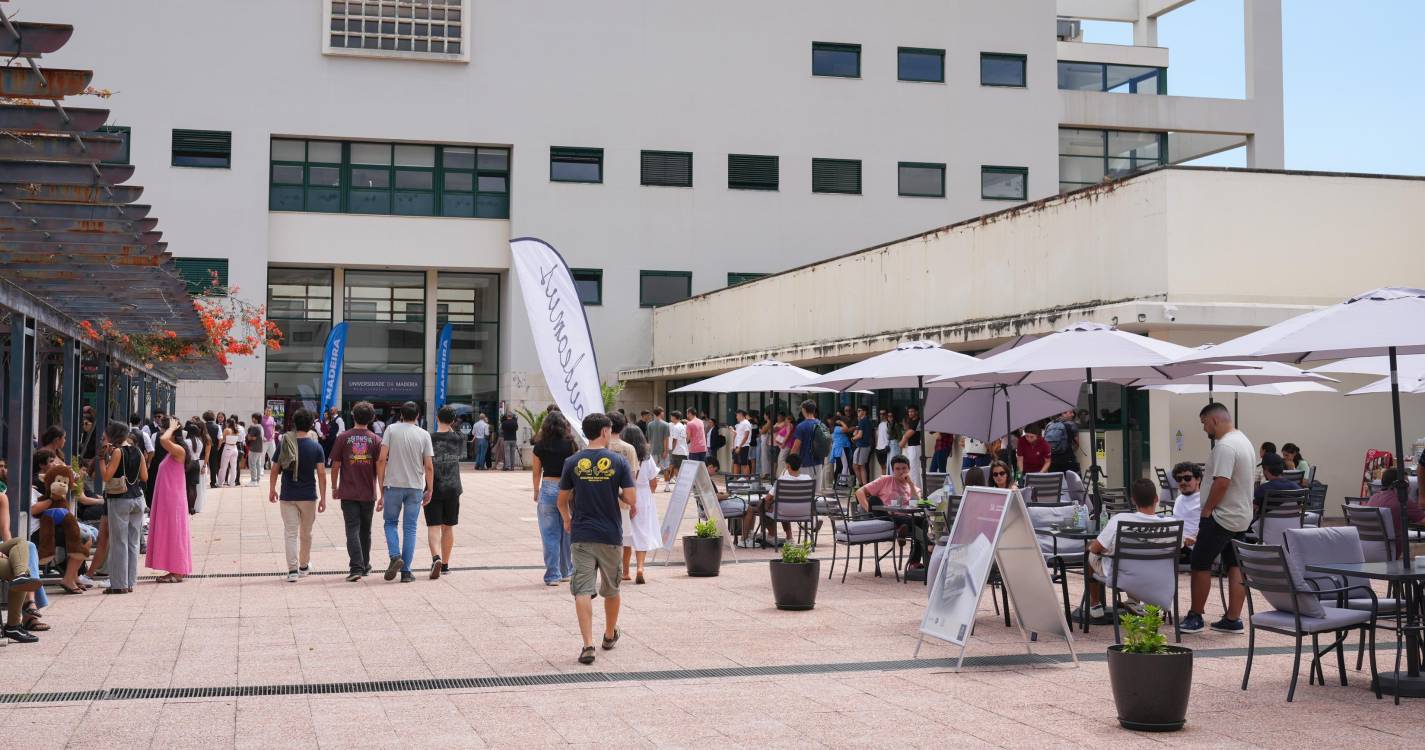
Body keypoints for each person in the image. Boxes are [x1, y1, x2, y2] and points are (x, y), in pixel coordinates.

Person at [558, 413, 637, 665]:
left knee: (582, 589)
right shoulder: (618, 461)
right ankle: (609, 634)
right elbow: (632, 499)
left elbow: (561, 501)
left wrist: (567, 519)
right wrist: (620, 495)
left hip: (581, 534)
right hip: (609, 534)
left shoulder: (572, 461)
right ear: (605, 432)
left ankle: (587, 644)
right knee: (611, 589)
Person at [1182, 402, 1253, 635]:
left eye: (1204, 423)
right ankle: (1233, 618)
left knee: (1200, 563)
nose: (1204, 429)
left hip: (1222, 516)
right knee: (1235, 565)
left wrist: (1207, 510)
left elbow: (1222, 481)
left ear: (1214, 420)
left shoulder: (1225, 446)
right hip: (1242, 515)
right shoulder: (1244, 441)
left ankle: (1196, 616)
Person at [1081, 479, 1168, 621]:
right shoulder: (1170, 524)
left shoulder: (1120, 520)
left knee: (1090, 551)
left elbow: (1096, 548)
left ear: (1133, 500)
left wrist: (1098, 549)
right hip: (1156, 577)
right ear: (1156, 499)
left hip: (1123, 576)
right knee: (1138, 560)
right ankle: (1134, 602)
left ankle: (1095, 604)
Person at [377, 401, 434, 583]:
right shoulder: (424, 435)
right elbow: (429, 466)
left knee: (390, 523)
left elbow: (381, 459)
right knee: (410, 528)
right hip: (415, 486)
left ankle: (395, 556)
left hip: (393, 484)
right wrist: (430, 488)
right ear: (418, 416)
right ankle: (406, 572)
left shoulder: (391, 430)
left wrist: (381, 487)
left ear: (401, 414)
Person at [269, 408, 327, 582]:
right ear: (311, 425)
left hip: (288, 494)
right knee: (306, 533)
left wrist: (272, 489)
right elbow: (322, 474)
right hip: (308, 496)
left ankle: (292, 570)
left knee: (290, 533)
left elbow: (274, 469)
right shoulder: (316, 447)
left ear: (294, 423)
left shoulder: (284, 443)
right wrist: (323, 497)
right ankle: (304, 565)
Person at [330, 401, 382, 582]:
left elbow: (335, 465)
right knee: (365, 531)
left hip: (348, 491)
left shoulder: (343, 437)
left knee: (352, 529)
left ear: (353, 416)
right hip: (368, 492)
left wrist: (334, 487)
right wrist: (381, 491)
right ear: (372, 418)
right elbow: (381, 467)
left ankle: (357, 567)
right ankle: (365, 565)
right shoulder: (376, 440)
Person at [101, 420, 148, 594]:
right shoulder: (138, 451)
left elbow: (107, 476)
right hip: (137, 498)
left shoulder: (118, 452)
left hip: (120, 499)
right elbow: (144, 476)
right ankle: (130, 582)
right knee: (133, 542)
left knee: (118, 541)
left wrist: (101, 460)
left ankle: (119, 584)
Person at [855, 454, 927, 568]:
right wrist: (868, 509)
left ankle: (914, 561)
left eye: (904, 468)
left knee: (922, 522)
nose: (901, 471)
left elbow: (917, 504)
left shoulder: (914, 488)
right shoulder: (885, 480)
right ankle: (919, 541)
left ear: (909, 469)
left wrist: (911, 484)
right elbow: (859, 492)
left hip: (905, 520)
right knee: (874, 499)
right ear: (893, 470)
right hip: (884, 517)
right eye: (897, 469)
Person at [532, 411, 578, 586]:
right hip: (568, 489)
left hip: (548, 488)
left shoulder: (540, 445)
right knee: (567, 531)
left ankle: (552, 575)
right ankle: (566, 570)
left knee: (549, 534)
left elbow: (536, 473)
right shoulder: (571, 444)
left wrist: (536, 491)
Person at [146, 418, 193, 583]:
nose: (161, 431)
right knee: (170, 532)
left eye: (164, 429)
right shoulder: (173, 451)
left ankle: (178, 570)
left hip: (173, 499)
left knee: (174, 533)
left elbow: (163, 439)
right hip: (168, 498)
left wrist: (171, 428)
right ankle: (174, 568)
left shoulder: (178, 450)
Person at [620, 425, 661, 584]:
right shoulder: (647, 456)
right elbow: (653, 481)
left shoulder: (623, 456)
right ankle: (640, 568)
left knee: (626, 535)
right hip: (643, 496)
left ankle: (625, 571)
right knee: (642, 533)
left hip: (625, 495)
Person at [427, 404, 465, 579]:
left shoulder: (429, 438)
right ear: (453, 421)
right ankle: (445, 565)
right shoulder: (458, 438)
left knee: (433, 526)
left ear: (437, 418)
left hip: (433, 487)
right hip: (453, 487)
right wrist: (450, 425)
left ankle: (435, 557)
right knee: (448, 527)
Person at [742, 453, 810, 548]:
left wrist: (768, 503)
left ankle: (771, 534)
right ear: (800, 465)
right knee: (783, 505)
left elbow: (767, 498)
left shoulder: (782, 480)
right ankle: (789, 538)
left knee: (764, 505)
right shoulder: (808, 478)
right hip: (804, 512)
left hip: (783, 512)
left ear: (787, 466)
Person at [787, 400, 828, 495]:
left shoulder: (801, 426)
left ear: (804, 410)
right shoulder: (821, 424)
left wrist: (789, 461)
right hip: (819, 463)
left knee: (804, 492)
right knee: (816, 493)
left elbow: (796, 447)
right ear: (814, 410)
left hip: (805, 463)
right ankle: (813, 510)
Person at [1169, 461, 1203, 549]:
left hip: (1192, 547)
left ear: (1198, 480)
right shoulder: (1179, 499)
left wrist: (1195, 538)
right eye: (1179, 479)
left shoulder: (1204, 501)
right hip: (1175, 544)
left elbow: (1209, 528)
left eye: (1187, 478)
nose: (1183, 482)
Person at [1045, 410, 1081, 475]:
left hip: (1052, 460)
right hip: (1067, 459)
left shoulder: (1049, 424)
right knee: (1072, 482)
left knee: (1055, 482)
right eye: (1070, 412)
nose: (1073, 414)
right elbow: (1076, 445)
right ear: (1063, 413)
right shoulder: (1072, 425)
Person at [852, 406, 874, 485]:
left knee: (858, 466)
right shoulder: (864, 421)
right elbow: (855, 432)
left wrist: (853, 439)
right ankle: (862, 484)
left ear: (864, 412)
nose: (857, 412)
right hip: (864, 446)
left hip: (862, 445)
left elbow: (859, 435)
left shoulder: (863, 421)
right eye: (857, 410)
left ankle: (862, 485)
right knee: (859, 466)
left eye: (859, 410)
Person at [646, 407, 670, 479]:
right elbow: (666, 439)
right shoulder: (666, 424)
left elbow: (649, 439)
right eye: (663, 412)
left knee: (653, 469)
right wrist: (666, 451)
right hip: (662, 450)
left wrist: (649, 450)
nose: (664, 413)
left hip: (653, 450)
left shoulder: (649, 424)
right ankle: (667, 486)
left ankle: (653, 487)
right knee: (665, 468)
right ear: (661, 413)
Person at [900, 406, 922, 479]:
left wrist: (902, 442)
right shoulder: (911, 421)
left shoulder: (918, 421)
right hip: (911, 447)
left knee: (914, 469)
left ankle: (916, 489)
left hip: (915, 447)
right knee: (910, 469)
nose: (910, 413)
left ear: (916, 412)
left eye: (912, 411)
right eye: (909, 412)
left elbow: (909, 433)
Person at [218, 418, 241, 487]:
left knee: (223, 466)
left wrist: (218, 447)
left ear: (228, 423)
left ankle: (220, 483)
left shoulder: (227, 430)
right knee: (234, 467)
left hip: (228, 447)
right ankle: (232, 483)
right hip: (235, 448)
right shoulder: (237, 430)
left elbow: (223, 439)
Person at [830, 416, 852, 483]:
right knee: (845, 465)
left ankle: (836, 483)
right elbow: (846, 429)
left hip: (837, 449)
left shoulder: (833, 429)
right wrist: (841, 422)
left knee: (839, 466)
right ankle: (842, 482)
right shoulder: (837, 428)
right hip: (840, 448)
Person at [245, 415, 265, 485]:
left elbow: (249, 437)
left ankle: (253, 480)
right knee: (257, 465)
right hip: (260, 448)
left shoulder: (254, 427)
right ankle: (257, 480)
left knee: (252, 464)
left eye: (253, 418)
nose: (252, 419)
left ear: (255, 419)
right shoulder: (261, 427)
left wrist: (248, 435)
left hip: (254, 448)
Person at [732, 409, 753, 476]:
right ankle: (736, 480)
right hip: (738, 446)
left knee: (744, 464)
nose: (736, 417)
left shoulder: (746, 423)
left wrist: (740, 447)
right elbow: (738, 435)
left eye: (737, 415)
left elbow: (746, 436)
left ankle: (747, 481)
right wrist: (734, 446)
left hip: (744, 446)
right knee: (736, 463)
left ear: (741, 415)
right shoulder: (739, 424)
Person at [773, 413, 793, 479]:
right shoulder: (786, 425)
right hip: (784, 444)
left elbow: (788, 434)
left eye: (786, 419)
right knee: (781, 459)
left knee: (781, 459)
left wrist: (783, 443)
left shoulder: (789, 425)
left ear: (790, 420)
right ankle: (782, 474)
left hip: (786, 445)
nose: (785, 420)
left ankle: (785, 473)